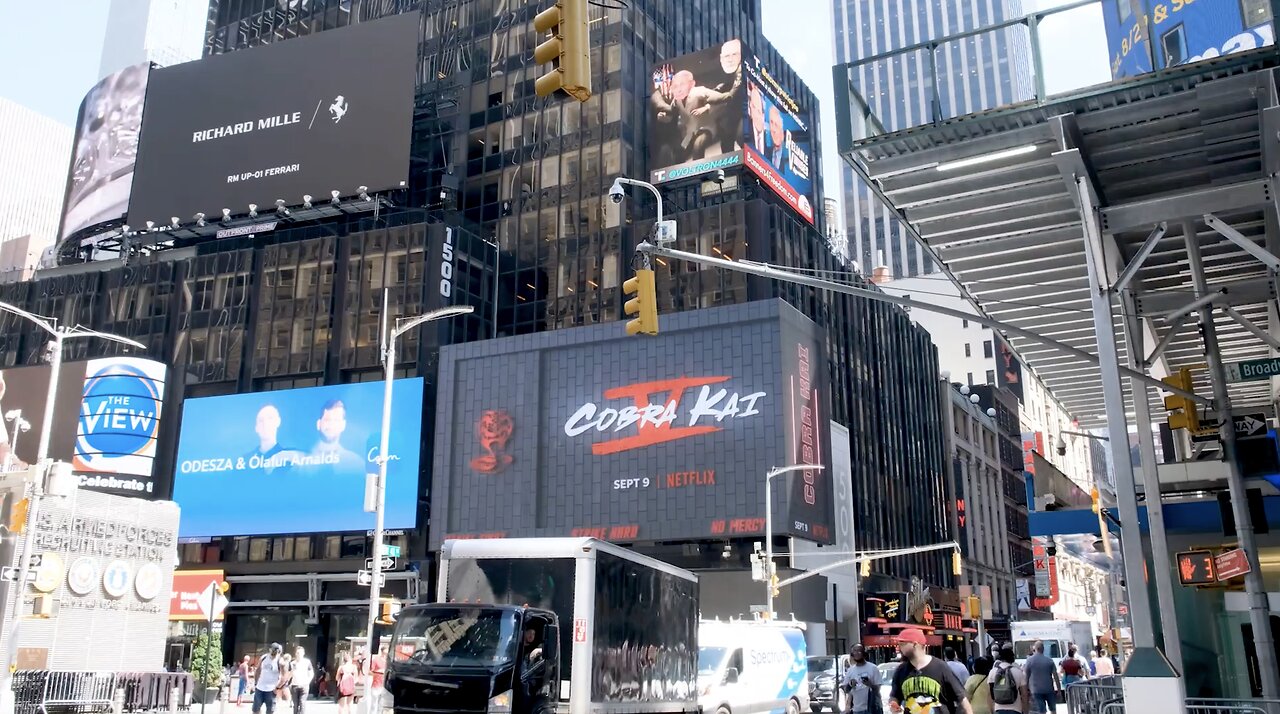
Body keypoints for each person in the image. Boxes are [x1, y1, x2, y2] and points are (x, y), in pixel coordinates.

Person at [888, 627, 973, 714]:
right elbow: (894, 696)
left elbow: (962, 699)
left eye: (902, 643)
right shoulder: (900, 670)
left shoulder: (940, 667)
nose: (899, 647)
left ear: (914, 644)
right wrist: (893, 704)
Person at [309, 400, 364, 476]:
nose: (331, 425)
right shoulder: (296, 461)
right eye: (327, 420)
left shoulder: (355, 463)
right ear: (319, 424)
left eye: (336, 420)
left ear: (343, 425)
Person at [840, 643, 882, 714]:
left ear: (864, 653)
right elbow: (846, 690)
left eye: (859, 651)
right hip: (857, 709)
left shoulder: (873, 668)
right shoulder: (851, 670)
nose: (857, 653)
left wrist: (870, 684)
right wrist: (850, 684)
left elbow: (878, 689)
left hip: (872, 708)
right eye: (854, 651)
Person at [988, 646, 1029, 714]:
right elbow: (1024, 695)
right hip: (1015, 709)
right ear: (1012, 658)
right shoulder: (1018, 672)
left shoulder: (992, 672)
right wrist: (1025, 710)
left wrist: (991, 710)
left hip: (998, 709)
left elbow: (990, 694)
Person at [1022, 641, 1061, 714]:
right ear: (1043, 649)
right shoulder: (1049, 660)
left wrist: (1026, 689)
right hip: (1049, 689)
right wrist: (1058, 690)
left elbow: (1026, 676)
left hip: (1036, 690)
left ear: (1035, 649)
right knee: (1053, 709)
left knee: (1041, 711)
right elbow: (1055, 676)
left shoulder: (1029, 661)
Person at [252, 643, 284, 714]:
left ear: (279, 652)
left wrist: (277, 687)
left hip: (271, 689)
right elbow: (258, 670)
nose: (274, 653)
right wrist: (256, 683)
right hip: (260, 687)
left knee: (270, 711)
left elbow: (284, 676)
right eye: (273, 651)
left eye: (276, 651)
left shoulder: (280, 661)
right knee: (255, 709)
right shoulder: (264, 657)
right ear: (270, 650)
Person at [290, 647, 313, 714]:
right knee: (295, 704)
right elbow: (290, 674)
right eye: (297, 653)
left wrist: (308, 681)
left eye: (300, 653)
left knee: (302, 702)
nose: (299, 654)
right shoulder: (292, 663)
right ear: (295, 654)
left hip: (304, 685)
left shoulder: (307, 662)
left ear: (303, 653)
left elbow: (311, 672)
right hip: (295, 685)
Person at [766, 105, 789, 171]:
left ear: (782, 131)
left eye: (776, 125)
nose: (773, 129)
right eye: (771, 123)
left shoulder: (787, 161)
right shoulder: (765, 152)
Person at [369, 644, 388, 711]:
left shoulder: (388, 661)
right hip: (376, 685)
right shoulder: (376, 659)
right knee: (373, 704)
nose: (386, 654)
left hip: (384, 685)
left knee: (381, 705)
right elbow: (370, 672)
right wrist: (378, 672)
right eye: (385, 652)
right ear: (382, 651)